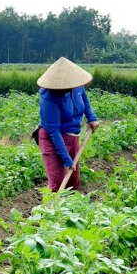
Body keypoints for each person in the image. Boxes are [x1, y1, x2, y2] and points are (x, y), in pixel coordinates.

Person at [36, 57, 100, 192]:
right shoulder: (49, 98)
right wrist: (66, 159)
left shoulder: (77, 85)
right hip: (53, 140)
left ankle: (71, 211)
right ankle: (49, 211)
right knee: (57, 184)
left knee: (73, 183)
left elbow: (84, 98)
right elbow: (54, 131)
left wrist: (91, 117)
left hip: (73, 136)